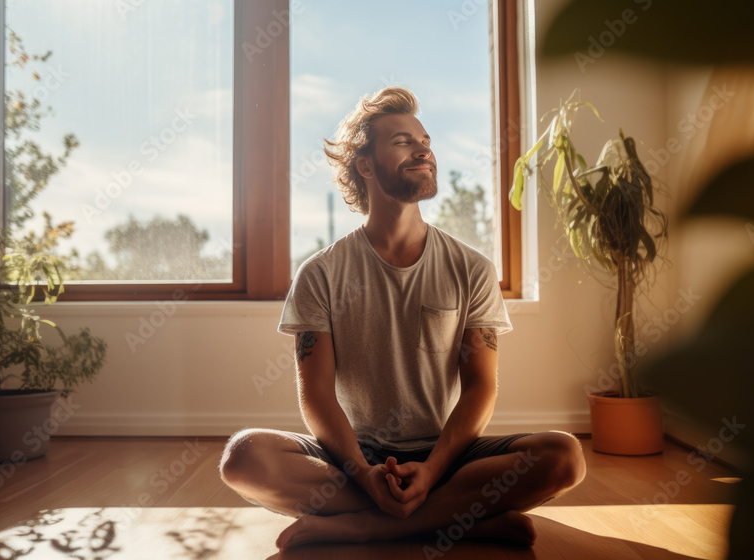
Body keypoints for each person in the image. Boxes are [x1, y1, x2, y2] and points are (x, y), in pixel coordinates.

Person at [219, 86, 586, 551]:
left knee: (564, 457)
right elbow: (315, 394)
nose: (424, 149)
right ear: (365, 165)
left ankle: (366, 526)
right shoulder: (321, 273)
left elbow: (481, 387)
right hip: (354, 457)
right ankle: (458, 518)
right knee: (243, 457)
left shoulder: (472, 267)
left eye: (425, 139)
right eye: (402, 141)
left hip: (447, 453)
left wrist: (432, 470)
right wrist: (364, 473)